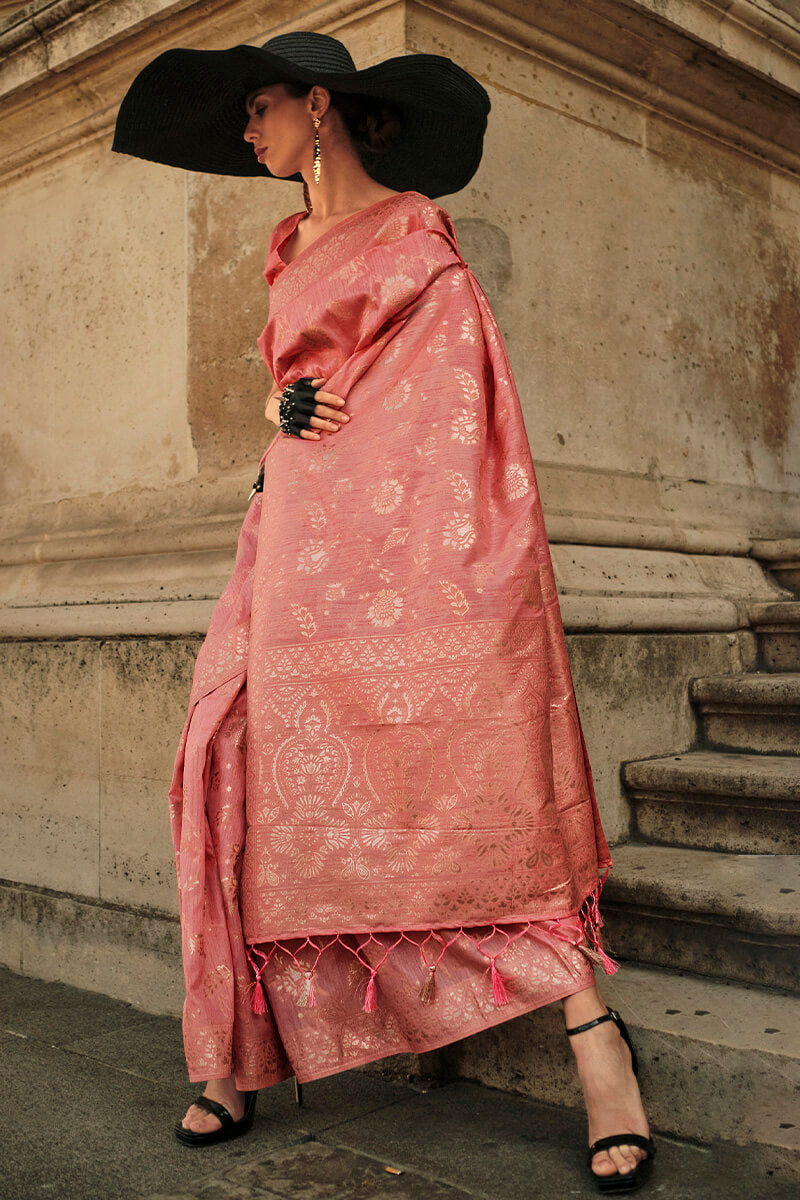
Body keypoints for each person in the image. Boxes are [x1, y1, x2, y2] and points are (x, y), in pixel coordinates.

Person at [113, 30, 655, 1192]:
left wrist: (351, 415)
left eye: (258, 109)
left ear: (320, 106)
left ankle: (597, 1048)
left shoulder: (414, 233)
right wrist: (279, 402)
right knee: (229, 750)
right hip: (295, 534)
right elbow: (293, 376)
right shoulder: (284, 246)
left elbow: (457, 387)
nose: (245, 132)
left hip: (404, 535)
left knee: (473, 769)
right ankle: (236, 1054)